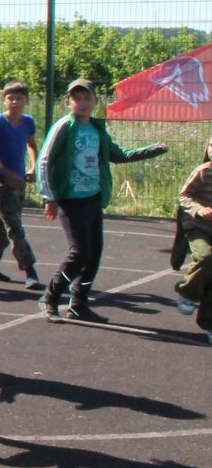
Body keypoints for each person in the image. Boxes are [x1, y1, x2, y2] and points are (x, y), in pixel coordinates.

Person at [37, 78, 166, 324]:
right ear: (68, 102)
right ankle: (50, 297)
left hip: (93, 197)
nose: (82, 103)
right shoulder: (64, 126)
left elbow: (118, 155)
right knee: (79, 252)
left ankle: (78, 304)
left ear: (95, 101)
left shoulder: (97, 129)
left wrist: (152, 150)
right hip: (70, 199)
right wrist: (49, 197)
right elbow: (44, 161)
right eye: (77, 98)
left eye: (87, 98)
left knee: (93, 254)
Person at [0, 81, 42, 290]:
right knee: (15, 227)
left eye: (19, 98)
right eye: (10, 98)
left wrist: (33, 168)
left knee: (4, 226)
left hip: (20, 182)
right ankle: (29, 270)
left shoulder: (28, 122)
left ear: (26, 101)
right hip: (2, 184)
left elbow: (32, 145)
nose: (14, 102)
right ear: (5, 100)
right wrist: (5, 173)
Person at [169, 134, 212, 344]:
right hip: (197, 227)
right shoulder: (203, 172)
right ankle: (188, 291)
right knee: (206, 257)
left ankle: (209, 323)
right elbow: (183, 197)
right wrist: (199, 209)